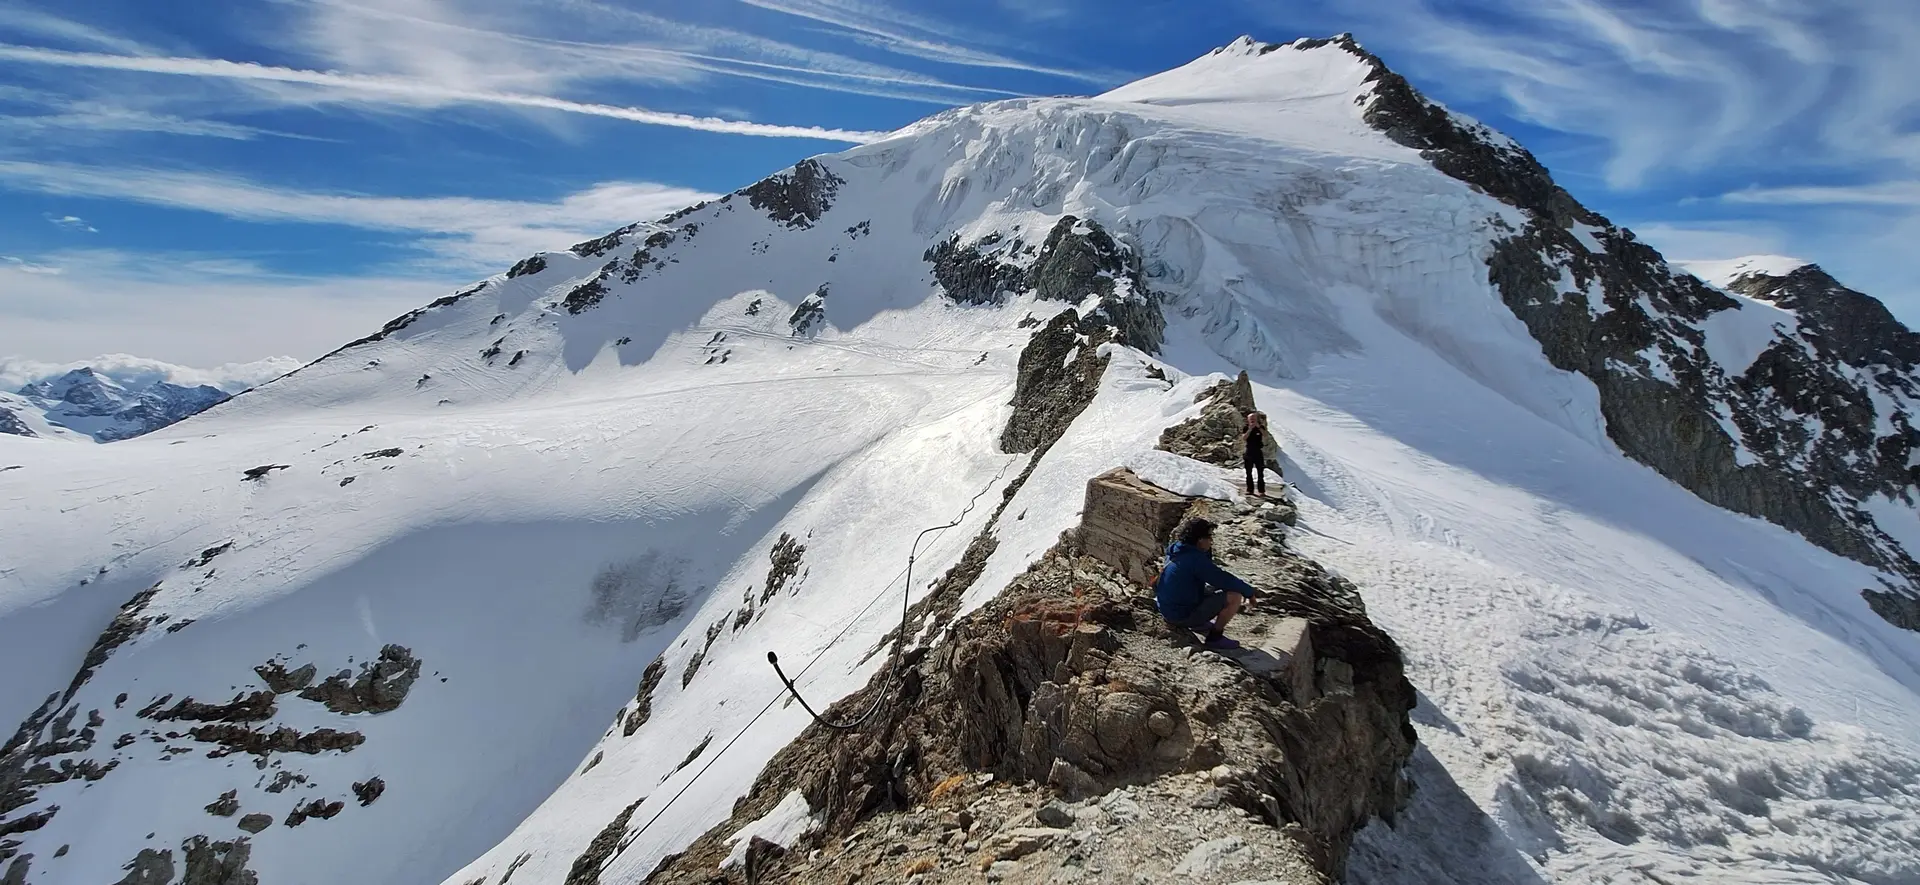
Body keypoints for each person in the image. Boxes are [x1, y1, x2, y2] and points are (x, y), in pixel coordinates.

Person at [1155, 517, 1261, 650]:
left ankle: (1199, 622)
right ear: (1200, 540)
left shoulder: (1178, 550)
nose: (1211, 541)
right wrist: (1249, 592)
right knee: (1234, 596)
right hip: (1179, 615)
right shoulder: (1195, 560)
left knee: (1212, 588)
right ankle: (1215, 638)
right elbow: (1222, 578)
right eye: (1209, 537)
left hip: (1168, 608)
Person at [1242, 411, 1272, 496]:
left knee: (1260, 473)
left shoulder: (1261, 427)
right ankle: (1250, 490)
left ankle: (1261, 491)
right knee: (1248, 472)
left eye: (1254, 419)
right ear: (1248, 420)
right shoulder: (1246, 427)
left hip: (1258, 452)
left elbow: (1265, 435)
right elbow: (1244, 438)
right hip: (1249, 452)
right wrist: (1250, 429)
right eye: (1251, 419)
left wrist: (1258, 427)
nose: (1252, 420)